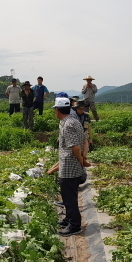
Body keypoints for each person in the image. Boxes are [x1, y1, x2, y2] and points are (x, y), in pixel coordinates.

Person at [46, 97, 90, 236]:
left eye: (55, 110)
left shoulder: (68, 125)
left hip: (70, 168)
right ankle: (69, 219)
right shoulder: (74, 121)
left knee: (69, 197)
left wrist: (81, 160)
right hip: (71, 165)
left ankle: (74, 225)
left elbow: (76, 147)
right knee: (69, 196)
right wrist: (83, 158)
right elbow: (85, 141)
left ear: (57, 110)